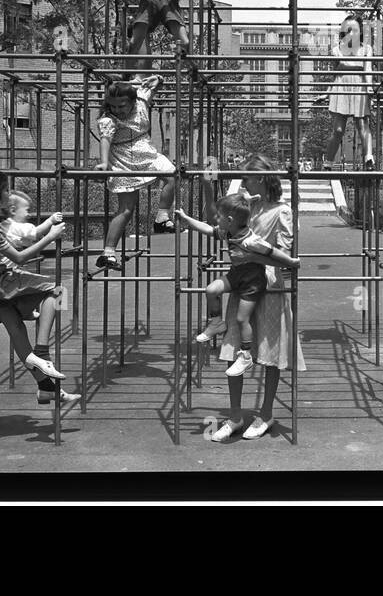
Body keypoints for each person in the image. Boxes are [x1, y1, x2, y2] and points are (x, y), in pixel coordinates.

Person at [0, 169, 79, 407]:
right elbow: (19, 257)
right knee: (58, 290)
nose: (9, 195)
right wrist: (51, 235)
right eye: (6, 190)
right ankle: (42, 351)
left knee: (15, 326)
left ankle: (45, 387)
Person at [208, 154, 306, 441]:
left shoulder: (282, 211)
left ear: (261, 177)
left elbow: (284, 258)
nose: (241, 181)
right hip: (243, 283)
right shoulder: (247, 206)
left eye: (246, 177)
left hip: (269, 285)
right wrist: (205, 186)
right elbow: (217, 223)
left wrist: (249, 254)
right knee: (234, 347)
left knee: (268, 352)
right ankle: (236, 414)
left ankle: (265, 413)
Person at [175, 191, 300, 377]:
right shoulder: (229, 231)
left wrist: (291, 262)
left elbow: (272, 252)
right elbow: (207, 229)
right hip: (236, 275)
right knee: (211, 289)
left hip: (253, 283)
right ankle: (216, 322)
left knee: (242, 319)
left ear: (230, 219)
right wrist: (186, 219)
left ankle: (246, 355)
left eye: (219, 216)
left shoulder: (251, 240)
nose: (215, 218)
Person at [94, 75, 178, 268]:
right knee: (126, 209)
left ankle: (162, 217)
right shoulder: (108, 120)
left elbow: (155, 86)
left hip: (146, 153)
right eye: (113, 106)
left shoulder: (141, 100)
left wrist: (158, 78)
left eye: (121, 106)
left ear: (132, 101)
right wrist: (104, 163)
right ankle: (108, 253)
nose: (117, 110)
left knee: (172, 175)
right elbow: (105, 139)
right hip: (123, 160)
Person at [324, 15, 375, 171]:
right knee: (338, 130)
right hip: (341, 86)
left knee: (362, 125)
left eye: (355, 29)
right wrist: (327, 93)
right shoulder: (336, 50)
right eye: (348, 29)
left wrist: (369, 89)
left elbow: (367, 70)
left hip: (359, 85)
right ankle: (328, 161)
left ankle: (369, 158)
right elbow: (334, 73)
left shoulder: (366, 49)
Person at [2, 189, 63, 253]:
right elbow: (36, 232)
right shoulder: (16, 226)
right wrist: (51, 220)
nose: (29, 214)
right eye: (27, 210)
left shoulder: (4, 225)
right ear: (13, 211)